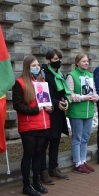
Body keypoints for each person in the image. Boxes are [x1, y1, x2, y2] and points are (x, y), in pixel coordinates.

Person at [12, 56, 52, 196]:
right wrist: (35, 110)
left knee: (38, 154)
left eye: (38, 65)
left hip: (43, 123)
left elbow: (47, 102)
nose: (37, 68)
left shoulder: (41, 81)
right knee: (28, 154)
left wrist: (49, 108)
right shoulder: (19, 83)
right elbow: (17, 105)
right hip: (28, 126)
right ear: (27, 67)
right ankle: (26, 184)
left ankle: (36, 181)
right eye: (34, 65)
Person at [40, 49, 70, 183]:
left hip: (58, 112)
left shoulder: (60, 74)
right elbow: (42, 94)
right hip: (48, 111)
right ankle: (43, 170)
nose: (58, 62)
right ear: (48, 60)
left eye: (59, 59)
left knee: (56, 141)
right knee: (44, 142)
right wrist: (57, 102)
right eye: (55, 59)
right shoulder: (43, 74)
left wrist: (66, 101)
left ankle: (54, 167)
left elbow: (64, 92)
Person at [66, 53, 99, 174]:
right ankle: (77, 163)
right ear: (77, 63)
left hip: (88, 111)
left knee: (85, 138)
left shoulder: (90, 75)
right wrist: (83, 97)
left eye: (87, 61)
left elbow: (94, 91)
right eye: (84, 61)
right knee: (77, 138)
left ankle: (83, 161)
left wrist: (96, 97)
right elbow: (69, 94)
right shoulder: (71, 75)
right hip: (76, 112)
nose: (86, 63)